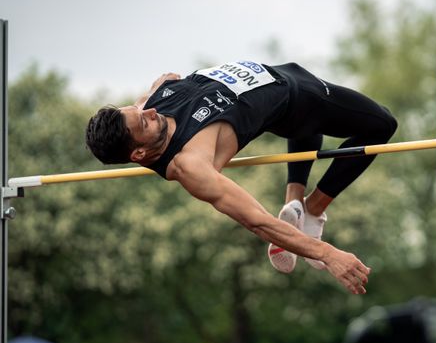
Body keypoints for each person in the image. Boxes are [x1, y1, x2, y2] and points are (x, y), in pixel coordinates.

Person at [85, 61, 397, 294]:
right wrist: (329, 255)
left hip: (278, 89)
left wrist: (159, 88)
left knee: (306, 130)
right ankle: (313, 209)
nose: (151, 112)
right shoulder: (190, 164)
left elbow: (161, 83)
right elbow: (257, 221)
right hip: (297, 95)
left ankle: (295, 204)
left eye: (140, 110)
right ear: (138, 155)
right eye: (144, 122)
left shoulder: (150, 105)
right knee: (381, 124)